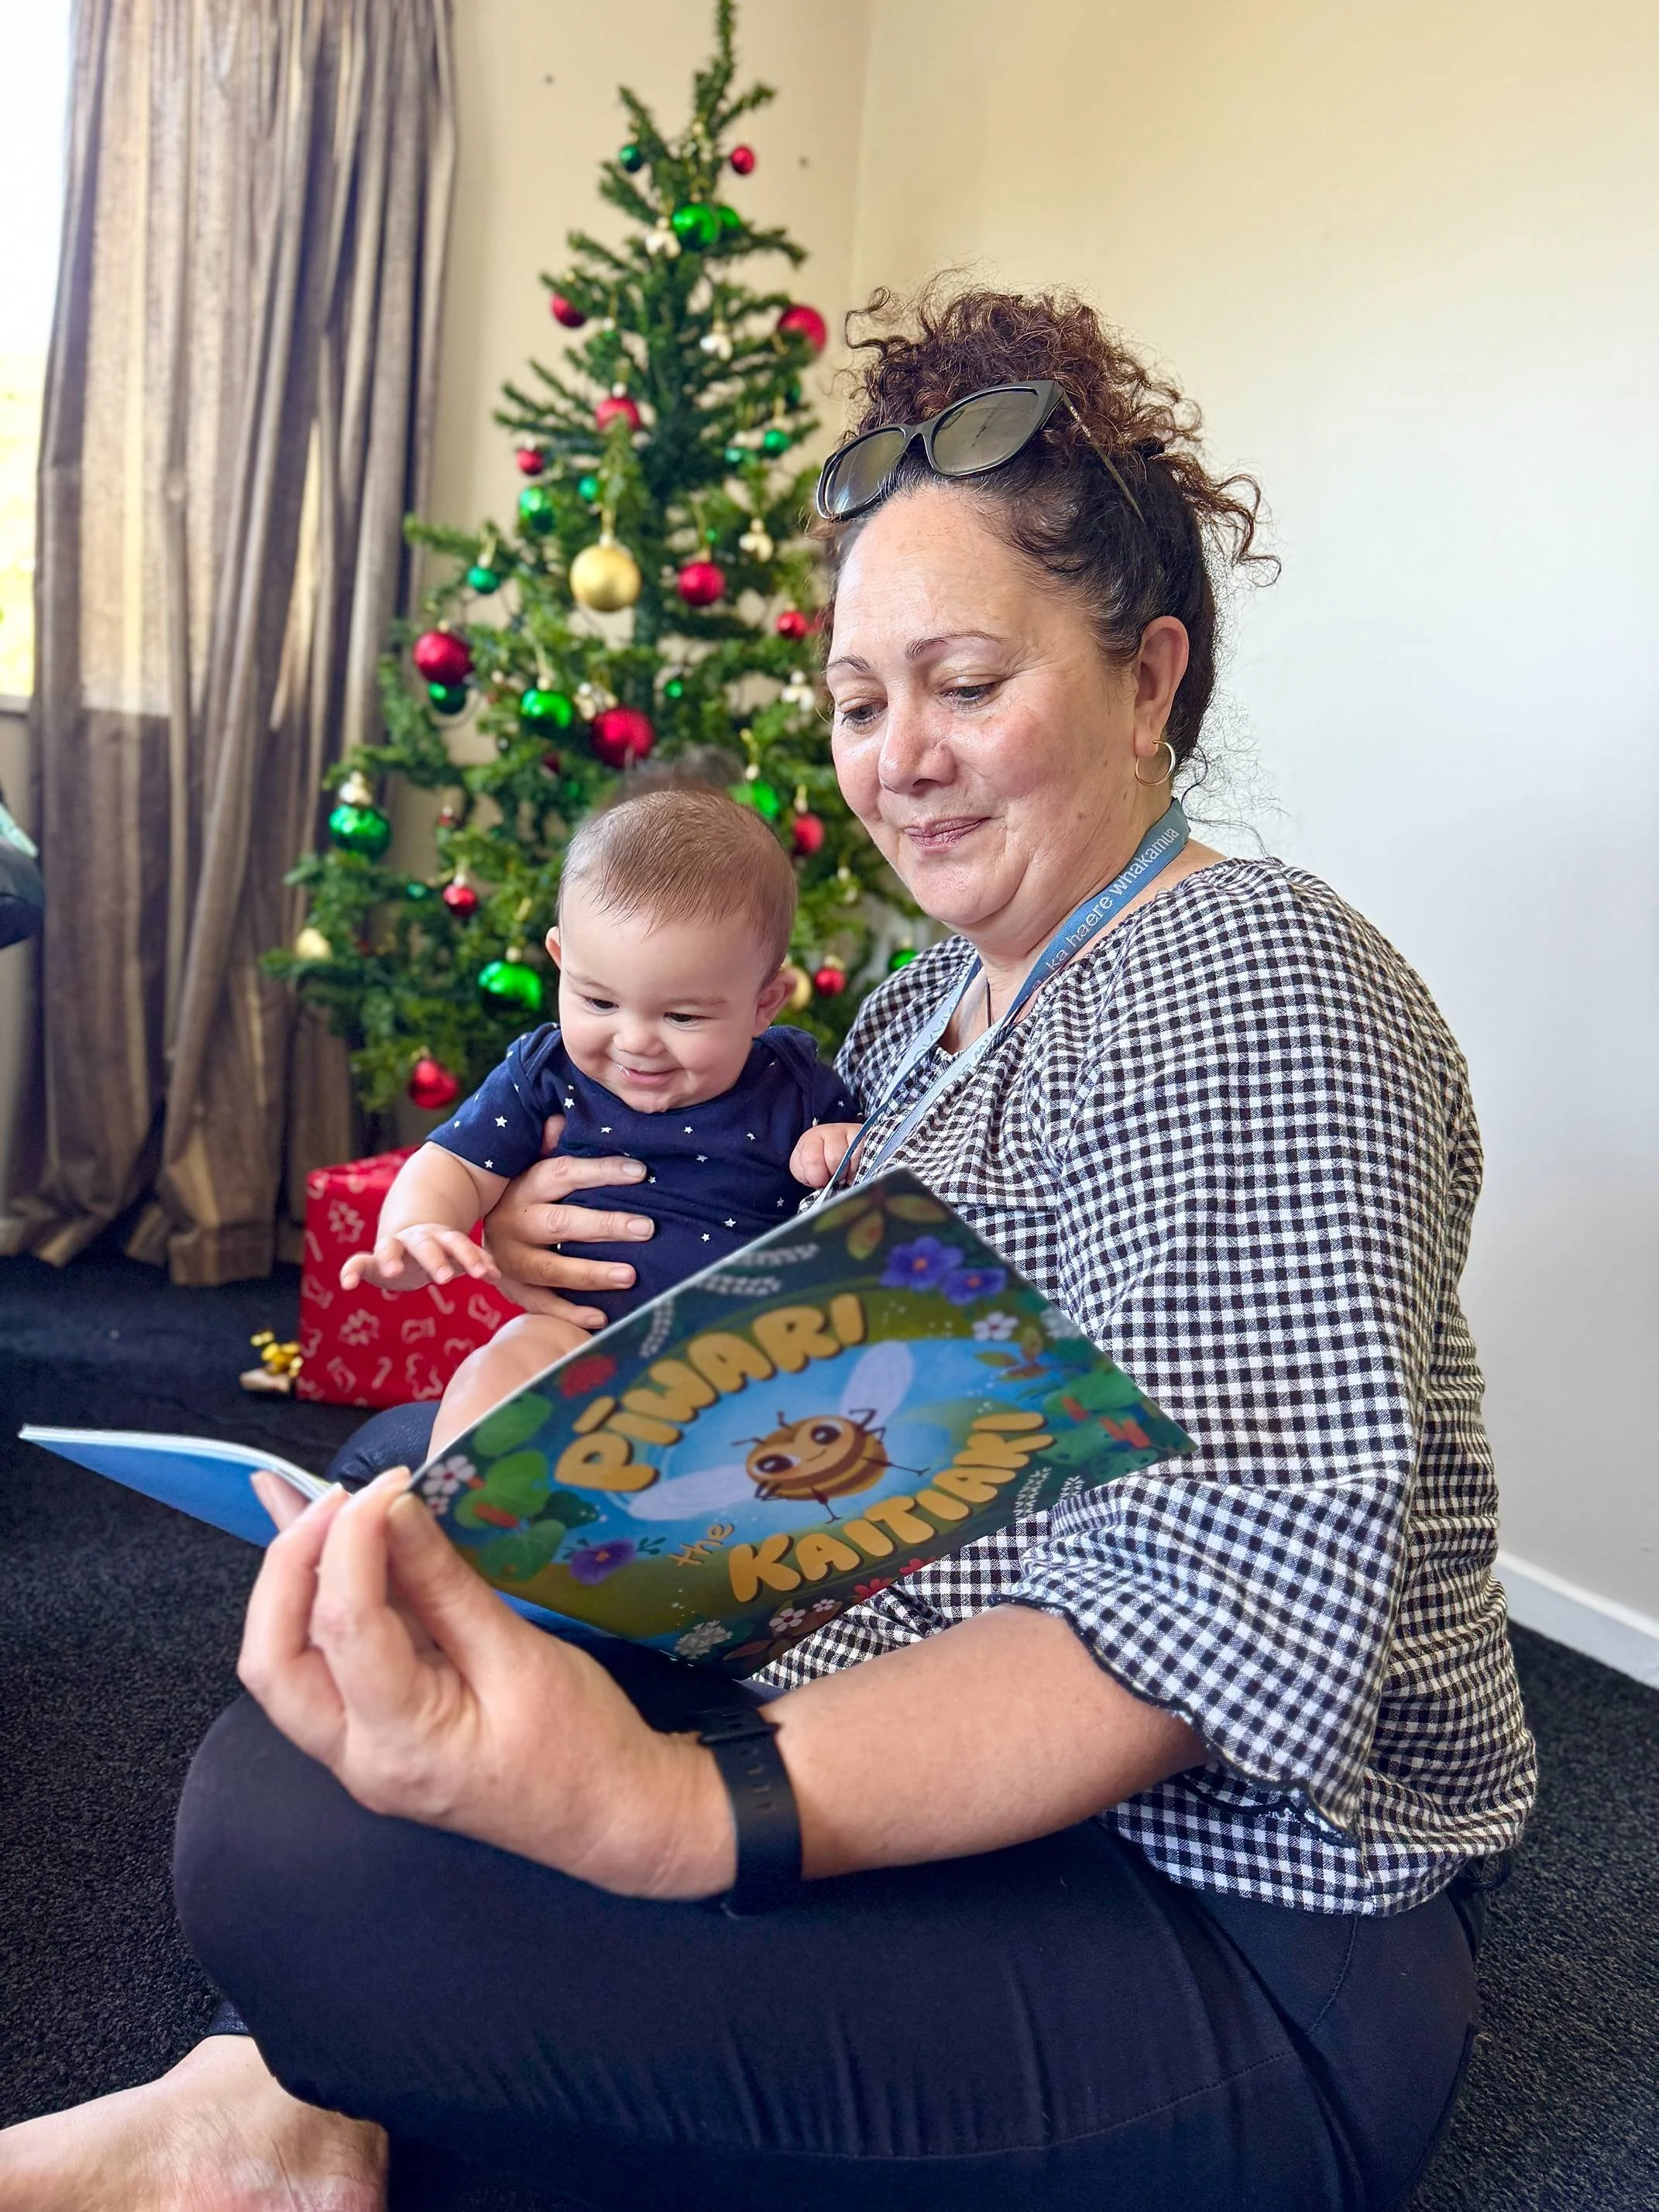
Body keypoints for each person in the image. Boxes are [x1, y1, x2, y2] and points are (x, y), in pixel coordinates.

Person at [0, 283, 1536, 2212]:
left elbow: (1213, 1615)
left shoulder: (1250, 984)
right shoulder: (920, 1015)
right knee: (408, 1505)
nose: (900, 759)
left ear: (1150, 682)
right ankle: (283, 2112)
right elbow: (865, 1406)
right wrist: (557, 1342)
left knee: (290, 1848)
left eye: (965, 684)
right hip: (924, 1696)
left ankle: (303, 2111)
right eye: (862, 702)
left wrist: (662, 1808)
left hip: (1231, 1924)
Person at [339, 785, 860, 1456]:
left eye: (683, 1016)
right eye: (598, 1002)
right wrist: (416, 1228)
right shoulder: (547, 1073)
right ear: (561, 962)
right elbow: (453, 1166)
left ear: (765, 1004)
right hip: (580, 1339)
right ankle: (454, 1508)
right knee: (497, 1371)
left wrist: (842, 1143)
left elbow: (867, 1190)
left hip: (746, 1360)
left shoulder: (792, 1087)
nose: (634, 1041)